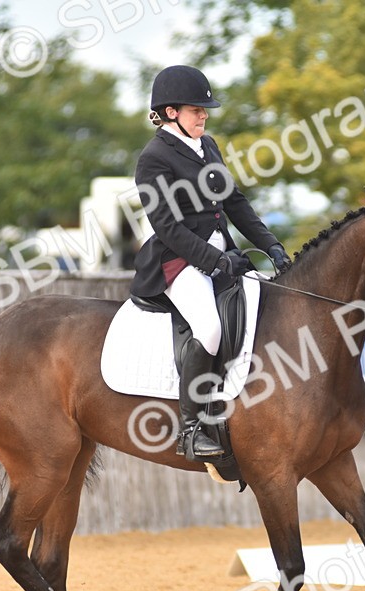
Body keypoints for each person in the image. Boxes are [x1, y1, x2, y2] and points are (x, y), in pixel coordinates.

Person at [131, 65, 291, 461]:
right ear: (171, 113)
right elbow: (167, 227)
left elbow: (234, 202)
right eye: (196, 110)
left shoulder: (209, 146)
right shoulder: (152, 160)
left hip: (224, 255)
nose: (204, 115)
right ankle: (190, 429)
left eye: (205, 110)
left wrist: (270, 245)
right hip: (178, 262)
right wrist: (214, 261)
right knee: (210, 327)